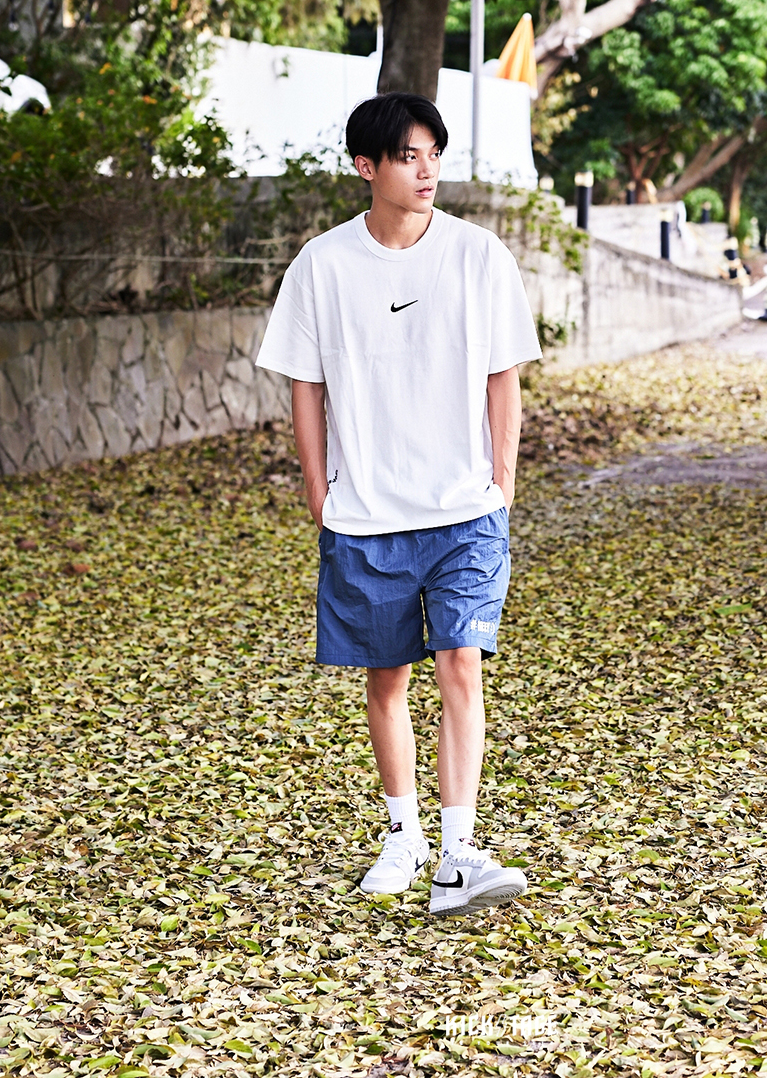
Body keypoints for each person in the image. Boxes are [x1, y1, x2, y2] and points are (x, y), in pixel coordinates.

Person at [255, 92, 542, 917]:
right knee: (386, 681)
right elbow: (305, 386)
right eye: (409, 156)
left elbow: (504, 378)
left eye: (433, 155)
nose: (426, 171)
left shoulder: (478, 255)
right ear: (366, 166)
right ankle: (404, 834)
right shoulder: (322, 265)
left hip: (464, 510)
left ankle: (458, 853)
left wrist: (501, 485)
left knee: (461, 662)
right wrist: (318, 491)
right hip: (368, 514)